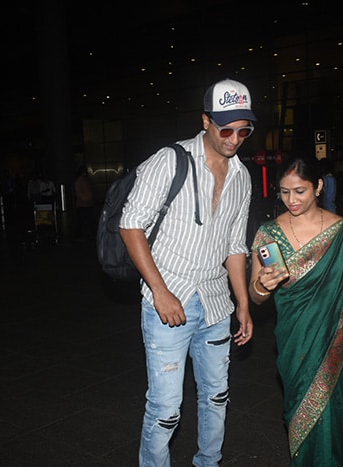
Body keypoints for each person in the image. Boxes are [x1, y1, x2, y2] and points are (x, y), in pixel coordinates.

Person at [119, 78, 256, 467]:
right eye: (226, 128)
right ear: (206, 121)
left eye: (244, 130)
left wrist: (243, 304)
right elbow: (130, 225)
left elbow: (235, 246)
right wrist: (160, 291)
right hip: (168, 301)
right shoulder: (170, 159)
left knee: (216, 396)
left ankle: (208, 462)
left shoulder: (242, 177)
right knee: (166, 409)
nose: (234, 138)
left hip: (215, 304)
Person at [248, 156, 343, 466]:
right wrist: (263, 286)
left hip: (342, 343)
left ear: (319, 186)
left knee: (339, 419)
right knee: (303, 416)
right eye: (284, 192)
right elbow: (256, 297)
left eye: (300, 191)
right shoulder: (269, 234)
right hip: (296, 346)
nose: (291, 200)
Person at [73, 165, 95, 241]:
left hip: (86, 203)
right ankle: (79, 235)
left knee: (87, 220)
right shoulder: (80, 181)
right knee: (81, 220)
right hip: (83, 204)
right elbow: (78, 192)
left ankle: (83, 234)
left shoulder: (85, 180)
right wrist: (86, 198)